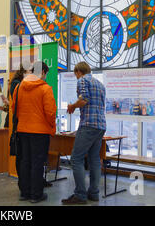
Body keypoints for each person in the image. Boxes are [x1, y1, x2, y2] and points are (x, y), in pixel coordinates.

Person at [11, 61, 56, 204]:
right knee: (37, 163)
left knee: (25, 161)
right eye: (46, 74)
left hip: (23, 130)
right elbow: (50, 113)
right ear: (42, 72)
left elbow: (14, 108)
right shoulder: (46, 89)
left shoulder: (18, 87)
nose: (46, 77)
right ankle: (36, 195)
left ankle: (24, 192)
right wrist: (51, 127)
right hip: (40, 132)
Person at [62, 62, 106, 205]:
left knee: (76, 159)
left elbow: (84, 100)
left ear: (78, 72)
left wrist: (72, 106)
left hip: (88, 125)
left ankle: (80, 195)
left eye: (75, 75)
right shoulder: (100, 84)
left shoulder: (82, 80)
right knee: (94, 160)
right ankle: (93, 193)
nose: (76, 78)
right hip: (100, 126)